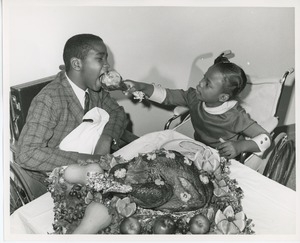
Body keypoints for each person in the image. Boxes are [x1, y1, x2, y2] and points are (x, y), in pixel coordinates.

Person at [16, 34, 128, 185]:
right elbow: (26, 154)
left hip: (92, 167)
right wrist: (87, 159)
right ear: (77, 64)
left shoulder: (95, 90)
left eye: (106, 58)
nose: (107, 66)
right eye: (100, 59)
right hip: (55, 177)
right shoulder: (49, 99)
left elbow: (117, 112)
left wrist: (106, 139)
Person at [123, 57, 271, 159]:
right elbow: (166, 95)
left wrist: (239, 147)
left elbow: (265, 138)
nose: (200, 84)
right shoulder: (194, 97)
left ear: (223, 98)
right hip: (196, 149)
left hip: (224, 158)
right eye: (203, 78)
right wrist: (140, 86)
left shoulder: (235, 116)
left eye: (207, 84)